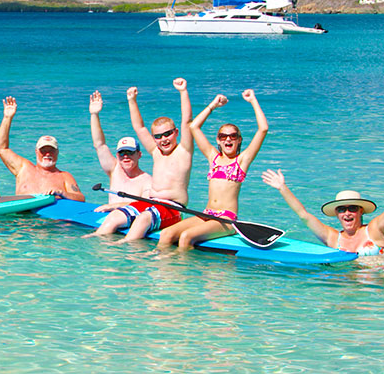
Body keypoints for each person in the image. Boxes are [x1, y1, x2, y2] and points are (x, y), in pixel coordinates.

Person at [157, 89, 269, 250]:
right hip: (206, 214)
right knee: (166, 234)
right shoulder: (213, 158)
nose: (228, 139)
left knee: (186, 237)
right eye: (223, 136)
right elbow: (194, 126)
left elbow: (263, 129)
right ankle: (160, 268)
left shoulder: (242, 161)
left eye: (233, 136)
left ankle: (180, 272)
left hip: (226, 220)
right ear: (218, 140)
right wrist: (213, 105)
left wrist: (253, 101)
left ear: (239, 140)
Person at [261, 161, 384, 259]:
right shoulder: (333, 238)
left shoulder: (375, 230)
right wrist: (282, 188)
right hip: (349, 285)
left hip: (383, 283)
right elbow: (303, 215)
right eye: (342, 209)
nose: (347, 213)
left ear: (361, 211)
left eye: (352, 208)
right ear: (337, 214)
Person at [124, 78, 193, 236]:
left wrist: (183, 92)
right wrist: (132, 100)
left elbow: (187, 121)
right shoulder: (156, 151)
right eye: (158, 136)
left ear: (176, 133)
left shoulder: (184, 150)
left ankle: (124, 248)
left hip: (172, 207)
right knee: (115, 216)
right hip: (151, 202)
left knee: (143, 219)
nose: (164, 139)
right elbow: (139, 127)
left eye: (168, 134)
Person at [86, 90, 154, 238]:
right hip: (109, 224)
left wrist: (113, 206)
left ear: (139, 154)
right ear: (117, 156)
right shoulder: (114, 169)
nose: (125, 156)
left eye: (130, 152)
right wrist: (94, 115)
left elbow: (144, 206)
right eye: (122, 153)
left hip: (129, 228)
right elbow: (99, 144)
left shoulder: (147, 180)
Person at [0, 96, 85, 200]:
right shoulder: (23, 168)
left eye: (51, 150)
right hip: (22, 215)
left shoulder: (65, 176)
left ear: (57, 153)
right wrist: (7, 118)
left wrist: (62, 193)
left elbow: (80, 198)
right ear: (36, 152)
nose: (47, 154)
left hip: (50, 216)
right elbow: (1, 148)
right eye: (43, 150)